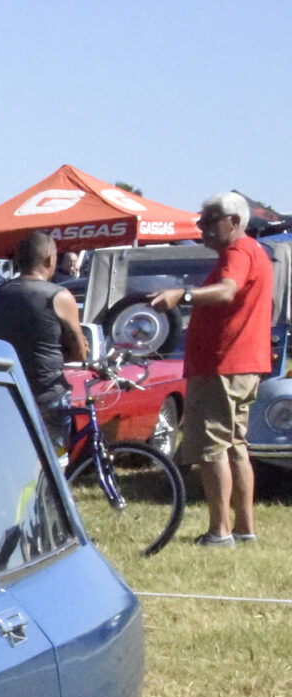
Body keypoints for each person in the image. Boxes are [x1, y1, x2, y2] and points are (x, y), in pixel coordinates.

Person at [150, 192, 276, 546]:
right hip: (241, 365)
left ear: (233, 222)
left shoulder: (237, 253)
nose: (201, 226)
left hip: (223, 365)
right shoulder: (253, 251)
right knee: (235, 446)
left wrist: (183, 295)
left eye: (209, 220)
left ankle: (220, 532)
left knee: (212, 448)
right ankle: (244, 528)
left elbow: (226, 291)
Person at [0, 230, 88, 449]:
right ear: (50, 259)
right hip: (47, 394)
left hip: (4, 391)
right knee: (52, 459)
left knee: (10, 454)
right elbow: (80, 353)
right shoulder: (59, 296)